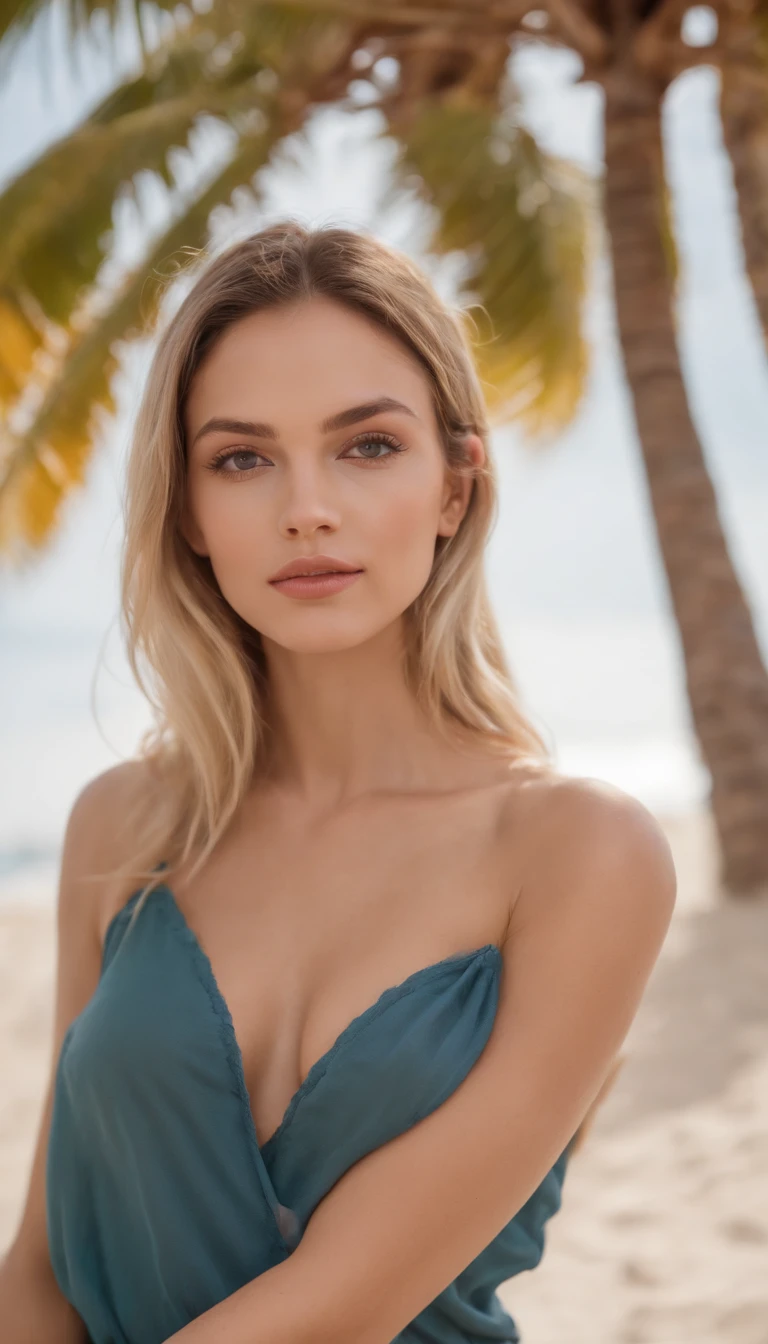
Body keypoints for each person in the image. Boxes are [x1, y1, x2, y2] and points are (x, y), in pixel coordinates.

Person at [0, 221, 676, 1344]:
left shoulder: (577, 854)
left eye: (366, 446)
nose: (305, 507)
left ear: (457, 486)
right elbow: (41, 1267)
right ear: (191, 515)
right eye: (242, 458)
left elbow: (335, 1311)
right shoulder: (125, 825)